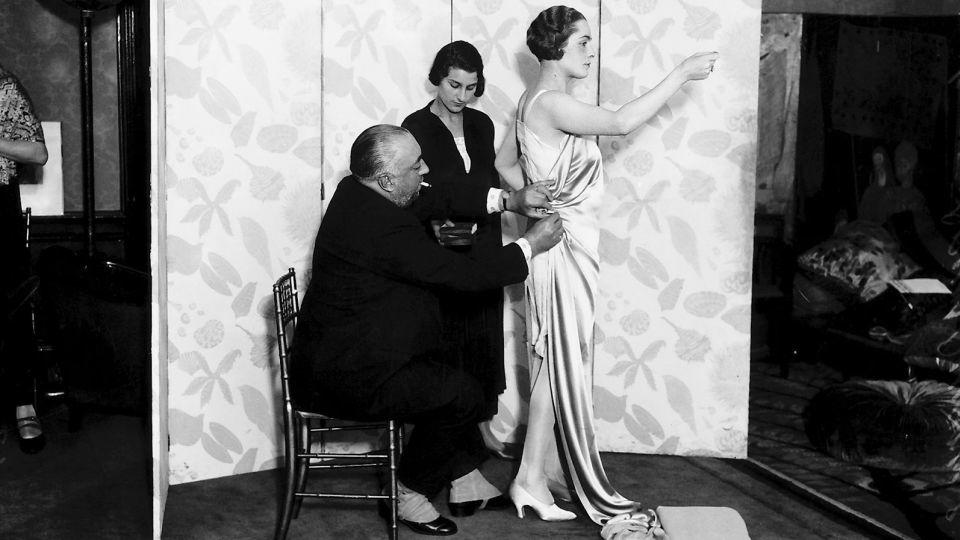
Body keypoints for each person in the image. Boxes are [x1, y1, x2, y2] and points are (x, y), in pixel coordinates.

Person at [494, 5, 717, 535]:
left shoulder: (535, 103)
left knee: (556, 363)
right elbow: (619, 122)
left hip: (565, 244)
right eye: (583, 42)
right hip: (563, 248)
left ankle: (531, 475)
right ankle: (529, 477)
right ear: (556, 50)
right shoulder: (550, 103)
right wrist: (681, 73)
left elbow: (506, 164)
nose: (591, 51)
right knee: (559, 361)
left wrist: (530, 202)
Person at [290, 124, 564, 536]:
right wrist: (529, 246)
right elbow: (461, 275)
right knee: (465, 393)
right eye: (416, 165)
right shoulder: (379, 224)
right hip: (346, 375)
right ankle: (408, 492)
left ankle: (464, 475)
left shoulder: (359, 190)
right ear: (386, 179)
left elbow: (433, 195)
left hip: (352, 349)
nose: (426, 168)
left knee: (458, 358)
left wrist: (507, 199)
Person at [401, 40, 511, 457]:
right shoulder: (414, 126)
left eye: (471, 87)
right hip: (439, 250)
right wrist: (437, 227)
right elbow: (415, 192)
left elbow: (490, 181)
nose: (461, 96)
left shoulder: (482, 125)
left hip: (481, 243)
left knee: (484, 336)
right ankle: (448, 437)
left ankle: (481, 426)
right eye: (453, 85)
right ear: (436, 80)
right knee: (446, 343)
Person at [0, 63, 48, 454]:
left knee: (13, 308)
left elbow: (38, 152)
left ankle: (23, 404)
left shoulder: (6, 89)